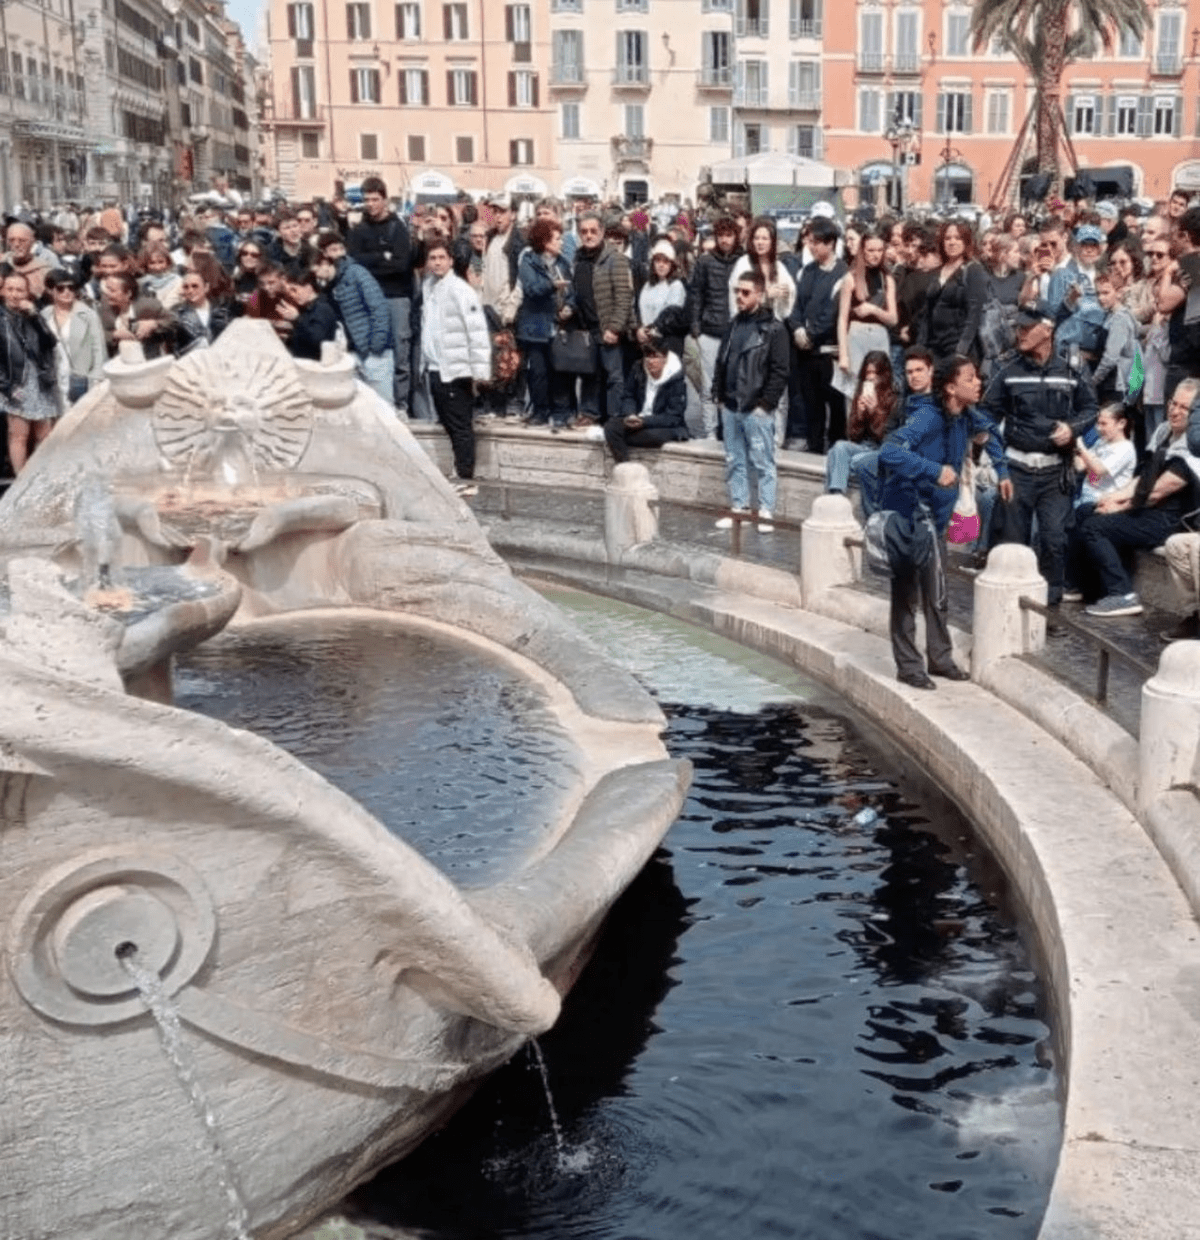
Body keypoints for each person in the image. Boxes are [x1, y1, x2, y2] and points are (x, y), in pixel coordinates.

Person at [878, 354, 1006, 689]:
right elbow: (888, 452)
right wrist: (932, 470)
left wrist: (1003, 470)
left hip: (934, 518)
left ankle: (940, 658)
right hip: (906, 514)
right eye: (970, 378)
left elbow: (991, 432)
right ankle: (909, 666)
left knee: (937, 590)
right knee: (906, 592)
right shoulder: (928, 418)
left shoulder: (965, 415)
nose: (978, 383)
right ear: (951, 388)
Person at [983, 298, 1098, 609]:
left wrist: (1072, 428)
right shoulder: (1006, 369)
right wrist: (995, 459)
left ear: (1047, 330)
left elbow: (1091, 408)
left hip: (1055, 473)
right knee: (1013, 545)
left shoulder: (1072, 368)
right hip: (1017, 469)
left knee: (1054, 542)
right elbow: (986, 416)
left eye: (1026, 327)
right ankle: (1007, 609)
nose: (1020, 332)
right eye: (1018, 326)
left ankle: (1049, 612)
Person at [1077, 380, 1200, 616]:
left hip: (1169, 519)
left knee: (1096, 526)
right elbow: (1145, 477)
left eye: (1184, 408)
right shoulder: (1163, 430)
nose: (1174, 410)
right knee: (1086, 511)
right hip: (1148, 508)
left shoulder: (1194, 446)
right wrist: (1112, 497)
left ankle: (1122, 594)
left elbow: (1158, 491)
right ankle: (1091, 589)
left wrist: (1119, 507)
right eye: (1173, 403)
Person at [711, 268, 790, 533]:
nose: (739, 297)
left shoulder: (774, 329)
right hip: (731, 404)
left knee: (763, 459)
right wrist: (718, 394)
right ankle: (740, 507)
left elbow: (780, 371)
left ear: (759, 293)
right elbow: (722, 359)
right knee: (734, 458)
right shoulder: (733, 325)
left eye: (745, 292)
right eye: (737, 292)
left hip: (755, 406)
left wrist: (765, 404)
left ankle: (766, 509)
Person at [419, 237, 491, 496]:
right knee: (449, 423)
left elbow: (477, 330)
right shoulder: (429, 286)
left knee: (461, 425)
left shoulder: (460, 290)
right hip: (436, 367)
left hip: (456, 368)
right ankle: (459, 470)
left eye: (441, 258)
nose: (436, 263)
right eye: (432, 258)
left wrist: (479, 370)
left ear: (450, 260)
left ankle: (466, 477)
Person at [347, 177, 416, 412]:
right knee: (372, 351)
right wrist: (381, 256)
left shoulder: (398, 228)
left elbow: (400, 265)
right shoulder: (359, 230)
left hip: (395, 297)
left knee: (400, 352)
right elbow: (355, 262)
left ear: (384, 200)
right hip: (367, 299)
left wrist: (373, 261)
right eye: (366, 200)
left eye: (375, 199)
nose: (370, 204)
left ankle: (401, 404)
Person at [789, 215, 848, 454]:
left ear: (830, 243)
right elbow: (796, 307)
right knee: (812, 405)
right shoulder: (806, 272)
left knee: (835, 406)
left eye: (817, 242)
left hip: (829, 352)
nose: (811, 247)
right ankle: (814, 449)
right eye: (810, 242)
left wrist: (811, 333)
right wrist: (797, 329)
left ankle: (836, 451)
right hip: (806, 353)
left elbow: (832, 313)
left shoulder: (843, 273)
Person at [315, 231, 394, 403]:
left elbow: (378, 308)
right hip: (350, 355)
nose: (317, 274)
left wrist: (376, 347)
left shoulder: (356, 272)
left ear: (326, 262)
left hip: (373, 352)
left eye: (317, 268)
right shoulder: (326, 288)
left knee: (384, 408)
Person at [515, 217, 575, 430]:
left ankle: (561, 411)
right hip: (535, 327)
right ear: (545, 241)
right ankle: (540, 410)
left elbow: (571, 291)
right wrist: (552, 285)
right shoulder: (528, 261)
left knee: (559, 371)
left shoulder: (563, 263)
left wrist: (569, 306)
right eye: (557, 239)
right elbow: (532, 288)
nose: (561, 243)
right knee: (538, 372)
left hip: (557, 326)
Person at [689, 214, 743, 439]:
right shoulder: (705, 261)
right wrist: (696, 326)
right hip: (710, 331)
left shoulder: (744, 260)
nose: (724, 240)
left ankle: (733, 431)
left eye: (729, 235)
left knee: (737, 384)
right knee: (709, 386)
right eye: (720, 235)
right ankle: (711, 431)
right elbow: (696, 294)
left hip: (737, 332)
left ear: (736, 237)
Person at [0, 271, 60, 471]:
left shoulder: (34, 316)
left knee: (45, 434)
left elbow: (50, 342)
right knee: (19, 434)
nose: (15, 294)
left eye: (20, 290)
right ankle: (21, 483)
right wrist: (6, 387)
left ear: (27, 293)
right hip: (14, 382)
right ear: (2, 291)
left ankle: (41, 478)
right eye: (10, 289)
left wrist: (35, 316)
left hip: (40, 380)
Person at [836, 226, 897, 409]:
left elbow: (893, 318)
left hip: (879, 335)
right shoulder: (851, 278)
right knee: (854, 391)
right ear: (862, 250)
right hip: (856, 335)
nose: (875, 255)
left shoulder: (887, 278)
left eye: (879, 250)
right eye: (870, 250)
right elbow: (842, 319)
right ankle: (853, 433)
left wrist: (873, 310)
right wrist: (843, 354)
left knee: (880, 388)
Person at [604, 337, 689, 463]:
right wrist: (630, 414)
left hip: (663, 426)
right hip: (638, 420)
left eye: (655, 357)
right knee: (611, 426)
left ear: (665, 359)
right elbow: (629, 396)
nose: (650, 361)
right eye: (648, 356)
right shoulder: (638, 368)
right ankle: (625, 465)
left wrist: (645, 422)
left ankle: (622, 447)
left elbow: (673, 416)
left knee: (650, 436)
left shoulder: (676, 379)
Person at [825, 351, 897, 496]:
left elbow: (886, 437)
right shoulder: (861, 392)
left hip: (880, 449)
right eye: (868, 373)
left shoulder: (893, 398)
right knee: (837, 448)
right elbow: (852, 435)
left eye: (875, 373)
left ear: (884, 374)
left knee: (838, 454)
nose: (871, 377)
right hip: (862, 446)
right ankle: (836, 495)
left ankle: (835, 496)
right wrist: (858, 414)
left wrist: (875, 412)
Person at [921, 218, 987, 364]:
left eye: (957, 238)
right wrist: (922, 347)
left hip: (959, 347)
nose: (952, 242)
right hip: (935, 346)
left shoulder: (973, 270)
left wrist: (961, 351)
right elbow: (927, 313)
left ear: (966, 241)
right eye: (947, 238)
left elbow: (974, 314)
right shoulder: (937, 271)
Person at [41, 269, 106, 406]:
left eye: (71, 287)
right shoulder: (44, 315)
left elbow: (98, 349)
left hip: (81, 379)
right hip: (55, 380)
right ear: (50, 290)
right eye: (60, 288)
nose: (67, 292)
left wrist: (97, 381)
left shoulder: (87, 314)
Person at [279, 272, 340, 361]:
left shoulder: (322, 308)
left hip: (314, 367)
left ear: (309, 287)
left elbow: (317, 340)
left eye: (294, 290)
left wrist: (297, 319)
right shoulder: (306, 306)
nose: (292, 295)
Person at [175, 269, 234, 352]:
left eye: (195, 286)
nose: (190, 291)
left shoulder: (223, 312)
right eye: (186, 287)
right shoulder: (177, 314)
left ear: (206, 287)